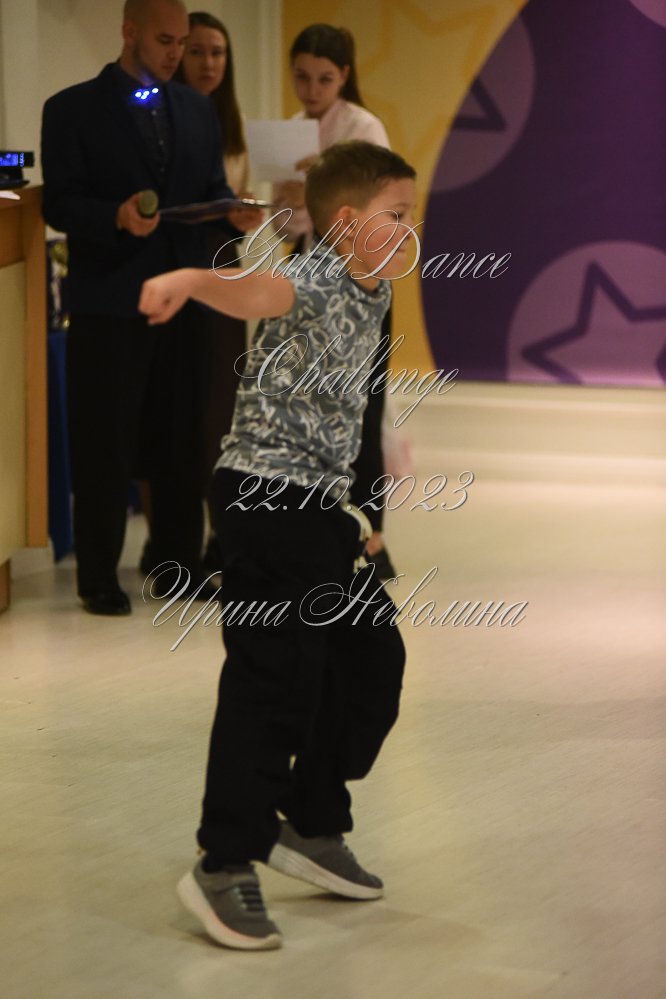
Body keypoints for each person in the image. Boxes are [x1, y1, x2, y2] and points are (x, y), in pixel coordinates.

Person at [139, 140, 416, 950]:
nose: (410, 230)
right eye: (396, 215)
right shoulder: (320, 275)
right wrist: (192, 279)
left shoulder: (372, 289)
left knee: (371, 663)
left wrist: (364, 511)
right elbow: (261, 289)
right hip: (265, 500)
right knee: (274, 682)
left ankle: (311, 819)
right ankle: (223, 861)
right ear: (345, 223)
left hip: (319, 508)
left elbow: (360, 413)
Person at [41, 0, 260, 616]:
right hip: (110, 299)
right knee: (105, 440)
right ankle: (97, 576)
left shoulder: (195, 109)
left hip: (184, 298)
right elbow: (59, 203)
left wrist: (233, 213)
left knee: (182, 435)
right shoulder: (71, 109)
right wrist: (113, 216)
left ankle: (176, 565)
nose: (176, 54)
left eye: (182, 42)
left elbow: (210, 190)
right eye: (166, 41)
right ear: (129, 31)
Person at [276, 23, 397, 579]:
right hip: (311, 279)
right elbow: (291, 228)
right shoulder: (292, 131)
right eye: (301, 77)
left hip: (360, 280)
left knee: (361, 408)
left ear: (344, 76)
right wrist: (286, 202)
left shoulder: (364, 128)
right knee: (311, 408)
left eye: (323, 79)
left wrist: (316, 193)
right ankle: (314, 529)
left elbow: (378, 217)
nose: (311, 89)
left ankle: (372, 538)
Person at [174, 12, 250, 573]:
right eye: (196, 51)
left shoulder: (233, 124)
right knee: (179, 409)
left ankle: (222, 535)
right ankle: (172, 538)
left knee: (223, 409)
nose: (208, 63)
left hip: (225, 267)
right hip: (179, 264)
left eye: (217, 52)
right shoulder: (165, 117)